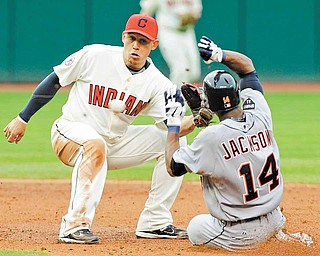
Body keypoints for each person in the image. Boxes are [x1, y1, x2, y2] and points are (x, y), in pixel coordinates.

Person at [3, 13, 196, 244]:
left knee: (175, 143)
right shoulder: (95, 55)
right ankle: (74, 225)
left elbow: (172, 126)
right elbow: (55, 80)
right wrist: (23, 118)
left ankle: (154, 222)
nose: (136, 46)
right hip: (70, 132)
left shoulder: (159, 84)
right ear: (124, 37)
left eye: (143, 41)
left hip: (113, 145)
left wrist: (199, 119)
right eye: (132, 38)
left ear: (154, 45)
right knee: (95, 143)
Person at [164, 35, 286, 251]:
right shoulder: (260, 112)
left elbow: (173, 167)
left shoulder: (210, 138)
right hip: (275, 219)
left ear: (210, 103)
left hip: (240, 235)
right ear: (237, 94)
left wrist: (173, 124)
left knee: (195, 227)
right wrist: (218, 54)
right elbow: (247, 69)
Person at [140, 0, 202, 87]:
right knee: (180, 69)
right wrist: (142, 32)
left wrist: (191, 16)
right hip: (168, 31)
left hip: (187, 32)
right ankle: (174, 96)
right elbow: (146, 11)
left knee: (194, 72)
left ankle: (182, 93)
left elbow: (197, 10)